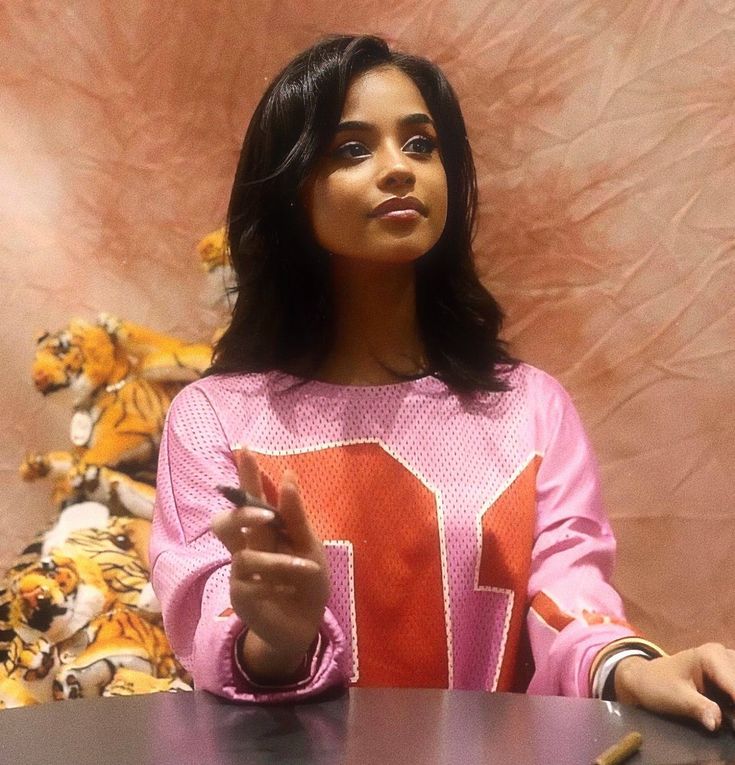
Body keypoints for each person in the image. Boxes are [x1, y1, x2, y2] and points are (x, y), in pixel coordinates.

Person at [150, 34, 735, 727]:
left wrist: (632, 667)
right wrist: (279, 636)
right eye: (351, 148)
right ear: (288, 188)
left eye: (420, 144)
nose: (398, 169)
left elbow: (567, 597)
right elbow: (210, 619)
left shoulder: (527, 408)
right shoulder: (215, 418)